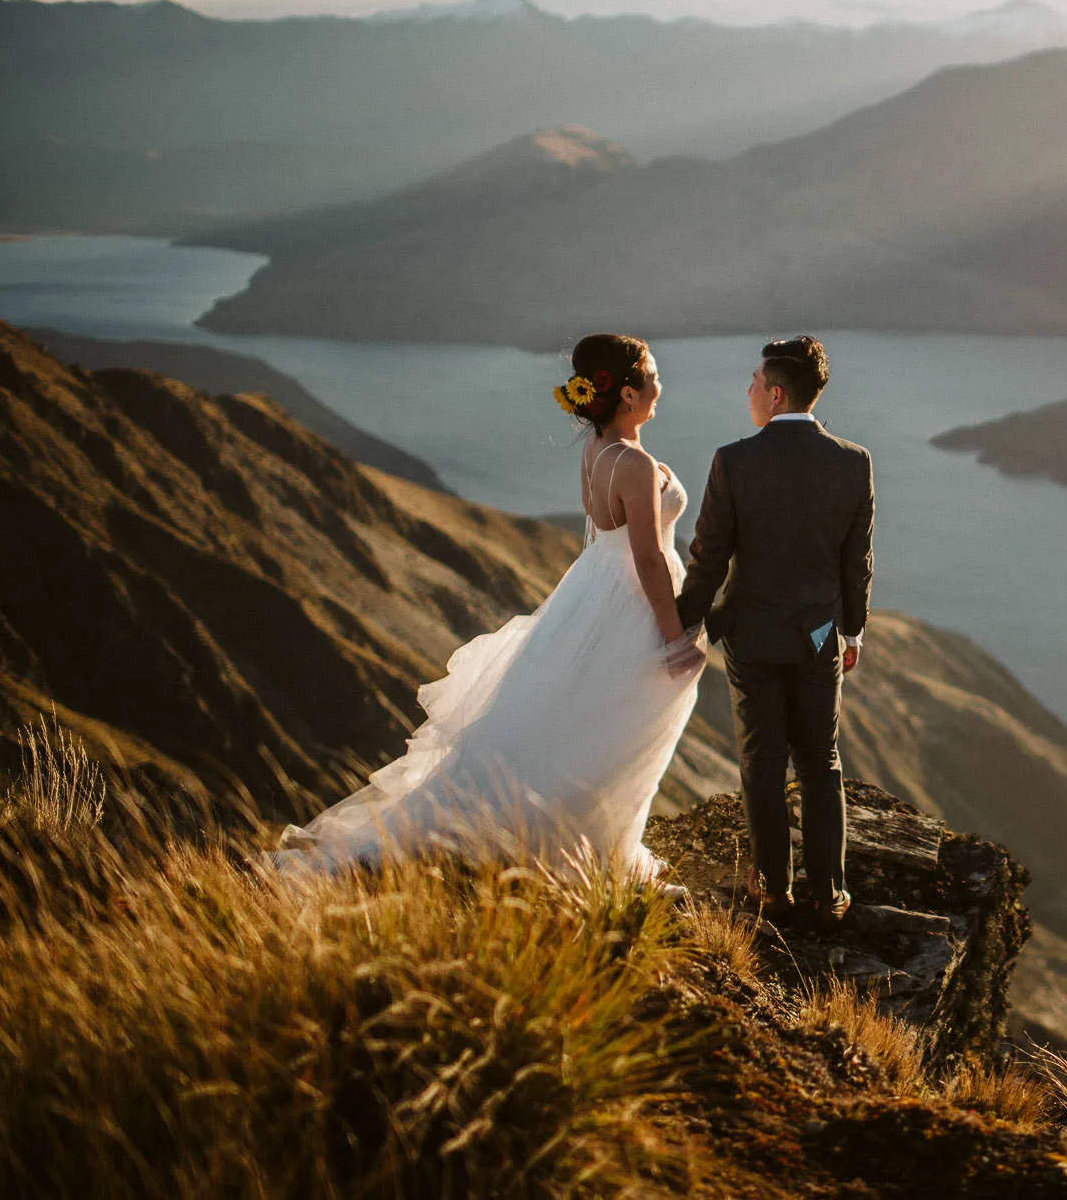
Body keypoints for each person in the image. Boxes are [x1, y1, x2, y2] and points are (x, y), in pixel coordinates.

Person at [270, 333, 705, 882]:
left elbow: (602, 538)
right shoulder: (635, 465)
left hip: (593, 595)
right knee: (610, 727)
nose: (659, 387)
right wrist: (672, 637)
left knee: (575, 721)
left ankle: (587, 840)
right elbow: (645, 556)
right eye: (652, 377)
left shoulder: (597, 452)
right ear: (624, 394)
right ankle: (593, 847)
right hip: (630, 607)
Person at [673, 336, 874, 931]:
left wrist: (684, 621)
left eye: (755, 382)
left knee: (762, 761)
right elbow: (855, 561)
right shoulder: (852, 461)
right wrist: (853, 630)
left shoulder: (734, 461)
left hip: (753, 635)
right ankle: (831, 889)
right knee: (821, 760)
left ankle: (773, 888)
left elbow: (709, 555)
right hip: (818, 637)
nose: (749, 391)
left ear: (777, 392)